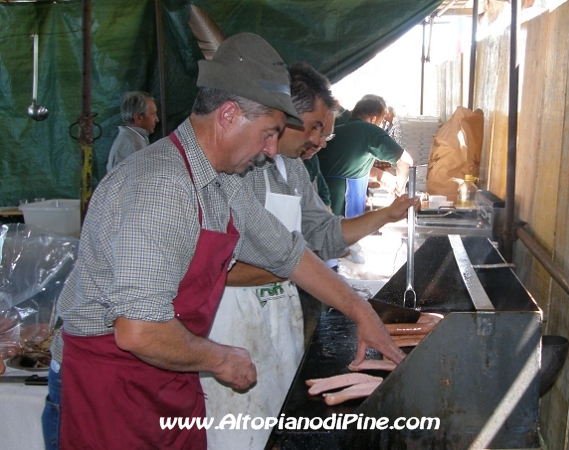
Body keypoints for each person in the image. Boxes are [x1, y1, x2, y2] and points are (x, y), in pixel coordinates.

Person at [41, 33, 403, 450]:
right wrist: (220, 358)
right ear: (228, 115)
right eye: (268, 133)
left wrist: (362, 313)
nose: (271, 151)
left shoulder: (221, 183)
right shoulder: (162, 186)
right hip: (109, 389)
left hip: (167, 381)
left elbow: (288, 253)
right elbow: (138, 332)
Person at [202, 62, 419, 450]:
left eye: (325, 131)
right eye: (316, 126)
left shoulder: (293, 171)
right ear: (284, 113)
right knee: (232, 432)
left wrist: (384, 215)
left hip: (277, 318)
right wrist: (302, 273)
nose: (321, 140)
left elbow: (323, 233)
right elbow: (220, 269)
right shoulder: (237, 169)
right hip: (229, 323)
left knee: (276, 421)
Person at [318, 98, 413, 217]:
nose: (383, 126)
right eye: (383, 121)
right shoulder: (369, 131)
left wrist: (380, 176)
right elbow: (405, 160)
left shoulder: (345, 130)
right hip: (339, 205)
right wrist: (400, 190)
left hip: (327, 201)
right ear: (373, 119)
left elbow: (349, 166)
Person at [105, 91, 159, 172]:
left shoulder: (132, 138)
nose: (157, 120)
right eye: (153, 114)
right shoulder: (133, 145)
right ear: (138, 118)